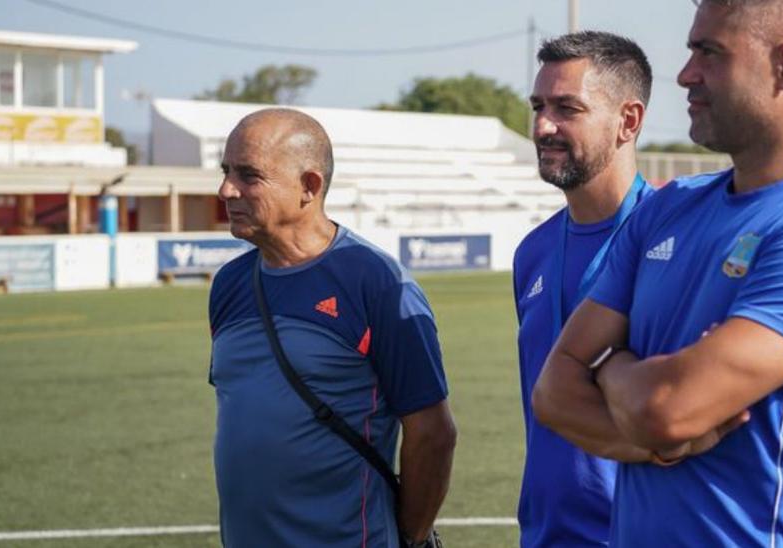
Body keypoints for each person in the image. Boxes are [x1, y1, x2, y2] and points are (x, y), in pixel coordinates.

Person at [532, 0, 783, 546]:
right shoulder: (667, 208)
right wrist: (653, 438)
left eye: (709, 52)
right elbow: (553, 390)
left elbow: (667, 409)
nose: (685, 74)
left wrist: (610, 366)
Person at [208, 108, 456, 548]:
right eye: (226, 171)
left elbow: (433, 432)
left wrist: (412, 539)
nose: (226, 189)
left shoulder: (376, 282)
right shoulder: (229, 284)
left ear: (309, 186)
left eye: (248, 175)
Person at [512, 31, 662, 547]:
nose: (542, 126)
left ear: (628, 121)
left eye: (566, 108)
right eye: (538, 106)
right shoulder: (531, 251)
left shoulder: (674, 239)